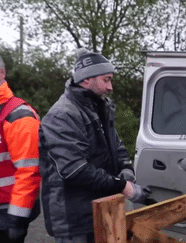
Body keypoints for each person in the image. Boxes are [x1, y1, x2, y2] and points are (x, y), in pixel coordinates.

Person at [39, 48, 154, 243]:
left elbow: (115, 146)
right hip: (74, 218)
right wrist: (123, 187)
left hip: (103, 209)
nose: (110, 87)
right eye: (106, 80)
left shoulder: (101, 107)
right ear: (86, 80)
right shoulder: (63, 115)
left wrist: (125, 168)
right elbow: (74, 169)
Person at [0, 55, 41, 243]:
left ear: (2, 73)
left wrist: (16, 221)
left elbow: (29, 171)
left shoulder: (18, 116)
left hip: (7, 211)